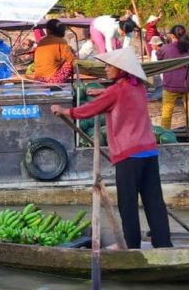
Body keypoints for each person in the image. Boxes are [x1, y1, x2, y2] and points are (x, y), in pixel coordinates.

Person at [51, 49, 172, 249]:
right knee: (154, 201)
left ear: (121, 69)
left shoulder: (117, 91)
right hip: (149, 152)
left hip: (129, 154)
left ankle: (131, 246)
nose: (106, 69)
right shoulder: (138, 86)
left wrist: (65, 111)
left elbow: (90, 109)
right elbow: (118, 96)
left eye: (109, 66)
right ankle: (164, 244)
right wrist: (103, 92)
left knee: (128, 203)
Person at [157, 24, 189, 130]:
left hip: (170, 85)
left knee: (166, 114)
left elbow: (159, 58)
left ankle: (165, 137)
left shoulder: (165, 49)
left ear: (172, 36)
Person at [33, 19, 76, 83]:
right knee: (70, 64)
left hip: (38, 77)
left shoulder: (41, 41)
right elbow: (70, 59)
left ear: (48, 30)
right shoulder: (61, 41)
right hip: (51, 78)